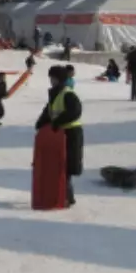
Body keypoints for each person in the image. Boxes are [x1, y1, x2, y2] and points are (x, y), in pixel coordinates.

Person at [35, 65, 85, 206]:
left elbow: (75, 111)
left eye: (53, 78)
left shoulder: (68, 94)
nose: (51, 81)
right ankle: (65, 196)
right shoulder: (55, 95)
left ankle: (66, 197)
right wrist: (40, 124)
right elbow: (48, 113)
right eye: (50, 78)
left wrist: (57, 122)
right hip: (59, 135)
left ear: (59, 79)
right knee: (59, 166)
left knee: (66, 166)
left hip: (71, 134)